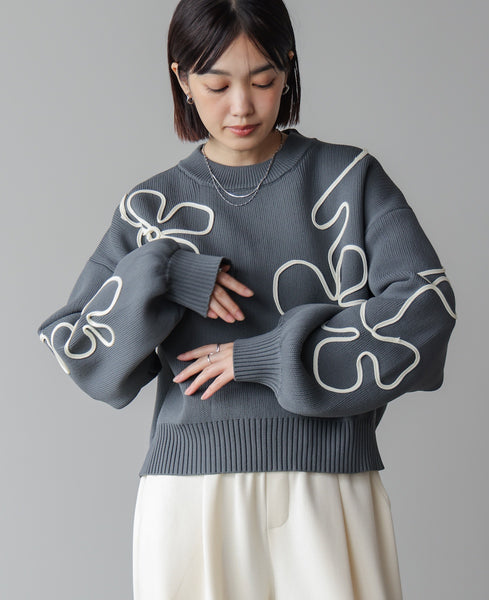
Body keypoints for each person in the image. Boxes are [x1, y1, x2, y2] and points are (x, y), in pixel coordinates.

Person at [37, 0, 457, 598]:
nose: (242, 106)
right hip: (190, 495)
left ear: (289, 67)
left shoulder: (348, 180)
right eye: (217, 85)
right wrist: (166, 271)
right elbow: (80, 348)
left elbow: (427, 312)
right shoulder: (153, 209)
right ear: (182, 78)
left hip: (327, 485)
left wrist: (263, 357)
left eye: (263, 80)